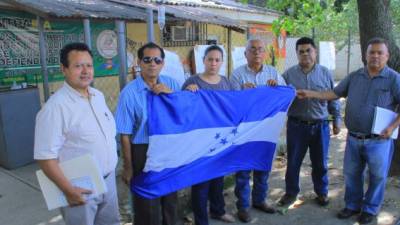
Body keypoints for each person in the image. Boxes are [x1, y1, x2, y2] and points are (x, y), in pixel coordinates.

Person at [297, 37, 400, 224]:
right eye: (372, 52)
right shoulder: (355, 76)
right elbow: (334, 93)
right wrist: (310, 93)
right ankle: (352, 205)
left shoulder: (394, 79)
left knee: (377, 176)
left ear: (387, 56)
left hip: (379, 140)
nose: (375, 56)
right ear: (365, 55)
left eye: (379, 53)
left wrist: (392, 126)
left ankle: (370, 209)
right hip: (353, 138)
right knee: (352, 174)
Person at [34, 42, 120, 225]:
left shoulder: (97, 96)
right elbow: (45, 157)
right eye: (78, 66)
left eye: (88, 65)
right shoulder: (55, 108)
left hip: (109, 179)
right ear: (63, 69)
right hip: (79, 186)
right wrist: (68, 190)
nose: (85, 71)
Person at [115, 42, 179, 225]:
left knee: (170, 196)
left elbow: (186, 111)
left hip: (168, 148)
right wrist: (128, 167)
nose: (153, 64)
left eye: (157, 60)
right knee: (146, 202)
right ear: (139, 62)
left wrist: (171, 94)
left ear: (163, 63)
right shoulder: (129, 93)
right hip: (142, 150)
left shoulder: (172, 83)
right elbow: (125, 134)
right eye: (147, 59)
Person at [278, 37, 341, 208]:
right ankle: (291, 193)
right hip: (296, 126)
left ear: (315, 52)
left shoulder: (325, 73)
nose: (305, 54)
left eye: (308, 50)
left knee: (320, 163)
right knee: (293, 162)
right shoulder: (288, 75)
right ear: (297, 54)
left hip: (320, 125)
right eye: (301, 51)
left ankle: (322, 192)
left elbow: (333, 98)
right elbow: (279, 96)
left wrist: (336, 120)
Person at [230, 38, 286, 222]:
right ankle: (243, 207)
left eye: (260, 49)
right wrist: (241, 92)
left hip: (266, 130)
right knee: (244, 171)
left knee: (263, 168)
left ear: (265, 53)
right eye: (252, 49)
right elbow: (230, 103)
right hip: (245, 130)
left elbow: (286, 94)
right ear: (245, 53)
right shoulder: (237, 75)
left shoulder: (273, 73)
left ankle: (260, 200)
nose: (256, 52)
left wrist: (277, 88)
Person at [182, 45, 236, 225]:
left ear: (221, 62)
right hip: (199, 142)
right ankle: (201, 221)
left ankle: (218, 211)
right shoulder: (192, 82)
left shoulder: (226, 82)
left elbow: (232, 108)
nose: (213, 63)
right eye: (210, 59)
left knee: (218, 180)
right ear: (203, 60)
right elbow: (182, 110)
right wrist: (187, 93)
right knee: (201, 183)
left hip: (220, 140)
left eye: (217, 60)